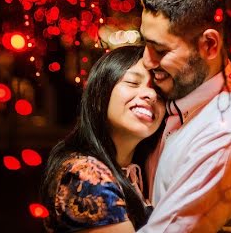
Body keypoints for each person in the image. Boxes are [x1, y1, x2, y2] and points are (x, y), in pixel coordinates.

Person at [137, 0, 231, 232]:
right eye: (145, 43)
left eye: (161, 50)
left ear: (209, 45)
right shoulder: (179, 93)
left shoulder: (225, 134)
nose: (146, 60)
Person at [42, 45, 166, 232]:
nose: (151, 94)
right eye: (133, 82)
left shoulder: (140, 172)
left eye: (159, 90)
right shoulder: (85, 175)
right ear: (100, 95)